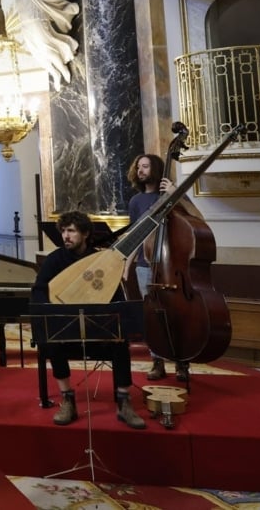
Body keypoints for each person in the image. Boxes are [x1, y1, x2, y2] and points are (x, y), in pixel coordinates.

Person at [32, 211, 146, 430]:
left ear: (85, 234)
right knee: (50, 341)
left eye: (71, 231)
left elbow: (116, 298)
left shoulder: (101, 260)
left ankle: (124, 402)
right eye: (64, 231)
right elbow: (39, 289)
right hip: (66, 329)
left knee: (120, 342)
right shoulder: (55, 259)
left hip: (98, 329)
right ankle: (67, 399)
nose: (66, 235)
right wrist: (51, 312)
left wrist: (112, 316)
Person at [126, 154, 195, 382]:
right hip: (145, 266)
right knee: (153, 317)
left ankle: (181, 363)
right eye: (138, 167)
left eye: (145, 166)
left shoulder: (171, 194)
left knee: (176, 315)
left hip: (170, 264)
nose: (140, 170)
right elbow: (135, 237)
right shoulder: (136, 201)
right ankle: (157, 361)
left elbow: (195, 216)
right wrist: (127, 266)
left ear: (155, 169)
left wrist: (174, 192)